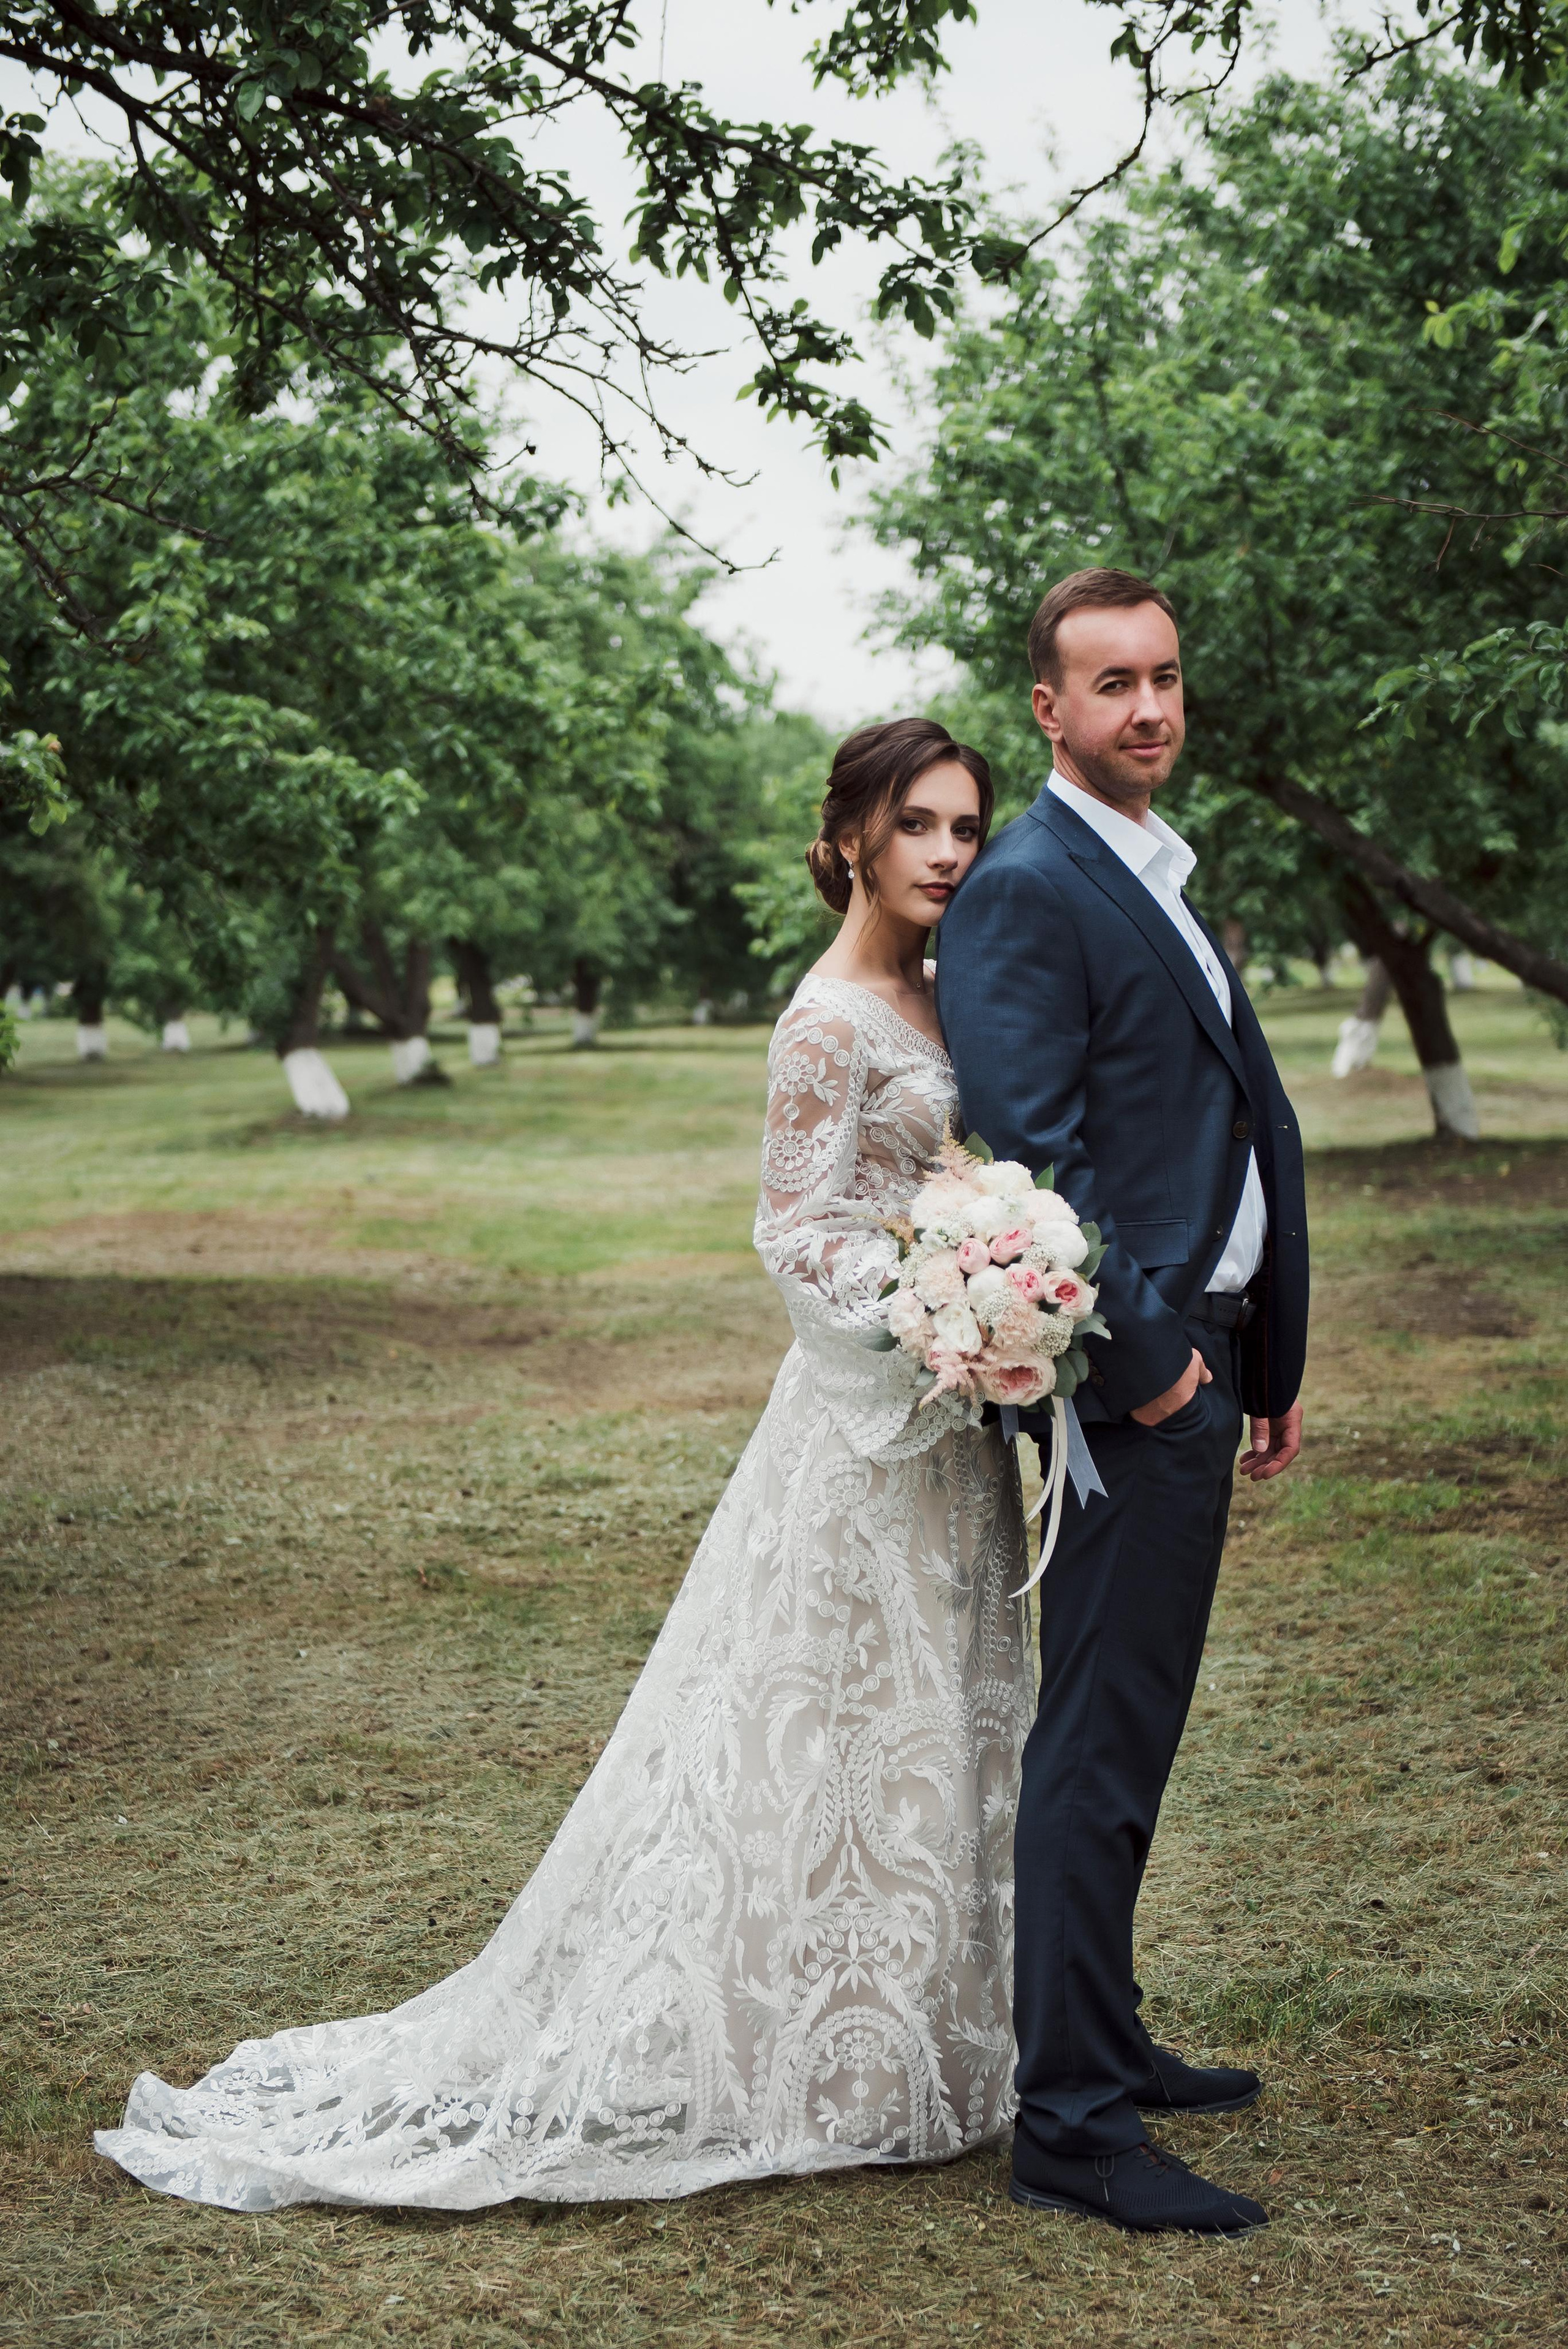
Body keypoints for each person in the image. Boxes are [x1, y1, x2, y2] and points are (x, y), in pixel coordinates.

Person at [94, 719, 1037, 2212]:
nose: (943, 853)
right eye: (914, 824)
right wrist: (936, 1307)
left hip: (953, 1427)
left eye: (964, 827)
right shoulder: (825, 1021)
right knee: (829, 1728)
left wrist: (998, 1286)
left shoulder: (944, 989)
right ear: (851, 835)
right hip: (868, 1420)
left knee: (925, 1726)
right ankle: (802, 2051)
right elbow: (795, 1234)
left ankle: (902, 2038)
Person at [937, 566, 1309, 2236]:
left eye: (1163, 676)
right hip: (1131, 1387)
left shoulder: (1150, 865)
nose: (1148, 706)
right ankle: (1072, 2126)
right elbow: (1038, 1161)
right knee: (1094, 1741)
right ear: (1049, 708)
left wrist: (1261, 1357)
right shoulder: (1029, 885)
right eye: (1111, 683)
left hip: (1205, 1358)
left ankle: (1106, 2034)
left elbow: (1224, 1121)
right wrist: (1160, 1368)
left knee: (1132, 1731)